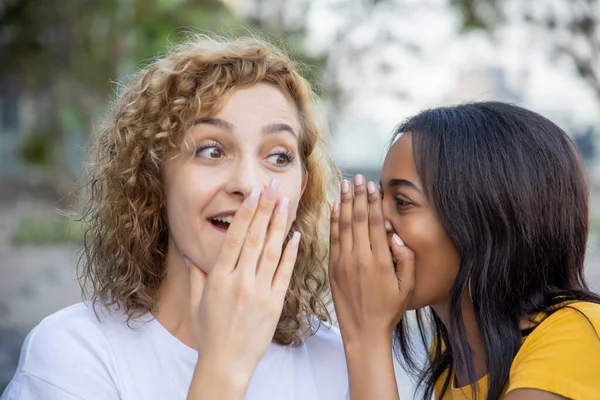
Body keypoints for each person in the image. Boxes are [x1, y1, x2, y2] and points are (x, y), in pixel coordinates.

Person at [2, 35, 349, 400]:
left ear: (302, 188)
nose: (248, 185)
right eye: (212, 150)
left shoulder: (333, 361)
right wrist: (223, 366)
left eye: (278, 157)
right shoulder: (72, 355)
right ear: (155, 176)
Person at [329, 102, 600, 399]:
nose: (375, 220)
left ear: (486, 223)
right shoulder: (451, 355)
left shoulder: (579, 333)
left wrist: (367, 337)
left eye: (402, 201)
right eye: (379, 196)